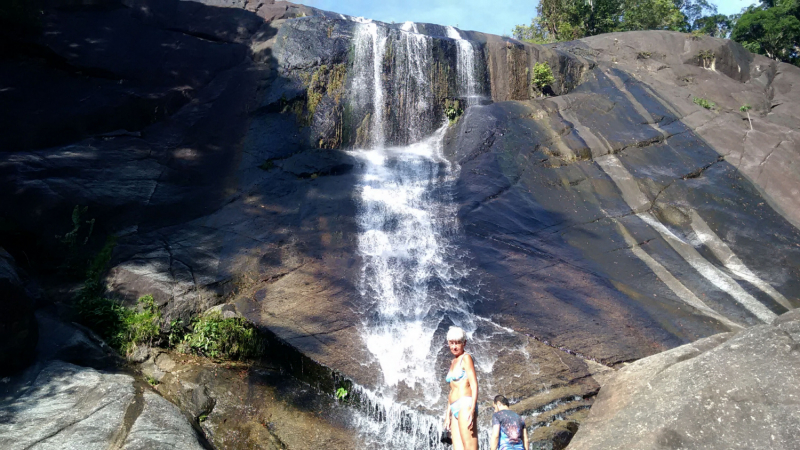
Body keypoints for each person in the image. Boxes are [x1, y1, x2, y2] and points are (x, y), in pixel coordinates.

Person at [443, 326, 478, 450]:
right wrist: (448, 415)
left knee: (470, 448)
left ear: (464, 343)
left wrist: (472, 409)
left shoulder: (466, 358)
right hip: (454, 408)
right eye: (451, 343)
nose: (454, 346)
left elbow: (474, 385)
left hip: (465, 405)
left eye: (457, 343)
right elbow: (452, 389)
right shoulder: (453, 362)